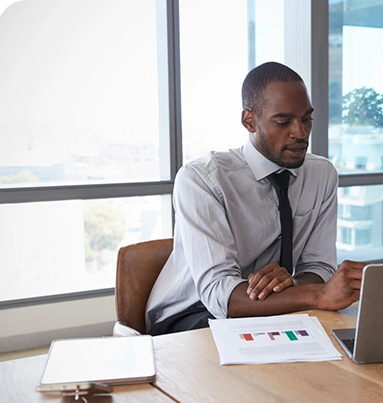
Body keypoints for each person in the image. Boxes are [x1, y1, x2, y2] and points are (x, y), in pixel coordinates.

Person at [146, 62, 365, 335]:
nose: (301, 133)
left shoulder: (321, 175)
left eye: (307, 119)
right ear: (249, 121)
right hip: (192, 316)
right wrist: (317, 295)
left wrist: (293, 285)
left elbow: (318, 267)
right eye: (283, 122)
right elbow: (220, 295)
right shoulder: (201, 179)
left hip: (272, 311)